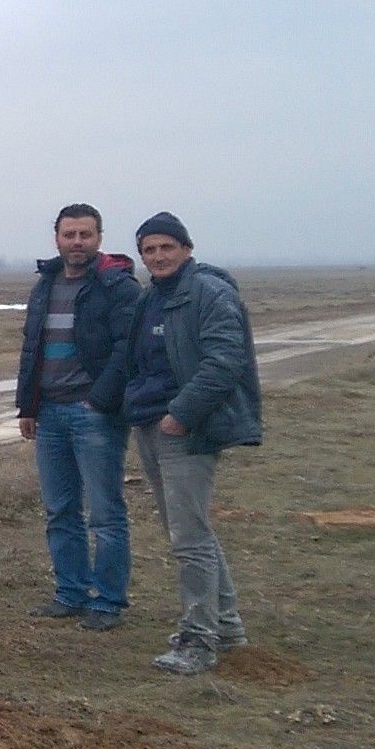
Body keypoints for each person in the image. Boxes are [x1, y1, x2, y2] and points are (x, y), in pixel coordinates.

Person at [90, 212, 263, 674]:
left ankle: (198, 642)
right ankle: (226, 627)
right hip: (151, 424)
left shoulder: (209, 293)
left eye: (167, 247)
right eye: (149, 250)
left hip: (186, 430)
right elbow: (137, 360)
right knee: (189, 532)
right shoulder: (152, 298)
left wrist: (182, 415)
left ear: (186, 249)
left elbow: (225, 361)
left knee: (189, 538)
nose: (158, 256)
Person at [14, 204, 142, 631]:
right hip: (50, 413)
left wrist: (99, 401)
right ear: (57, 238)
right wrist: (28, 406)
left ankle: (107, 602)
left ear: (99, 238)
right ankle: (70, 593)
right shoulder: (45, 284)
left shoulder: (116, 287)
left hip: (95, 415)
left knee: (105, 514)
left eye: (85, 234)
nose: (77, 242)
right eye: (69, 234)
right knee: (60, 510)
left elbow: (127, 350)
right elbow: (32, 348)